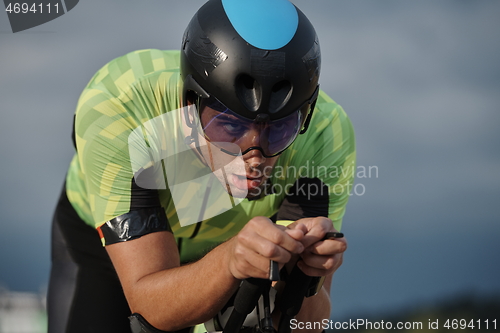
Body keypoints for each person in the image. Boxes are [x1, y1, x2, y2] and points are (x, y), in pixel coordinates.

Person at [47, 0, 356, 332]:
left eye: (279, 130)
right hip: (103, 254)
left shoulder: (325, 135)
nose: (253, 157)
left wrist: (309, 278)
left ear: (304, 117)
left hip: (235, 251)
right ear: (188, 104)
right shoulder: (119, 104)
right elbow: (151, 308)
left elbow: (302, 326)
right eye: (230, 127)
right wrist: (228, 260)